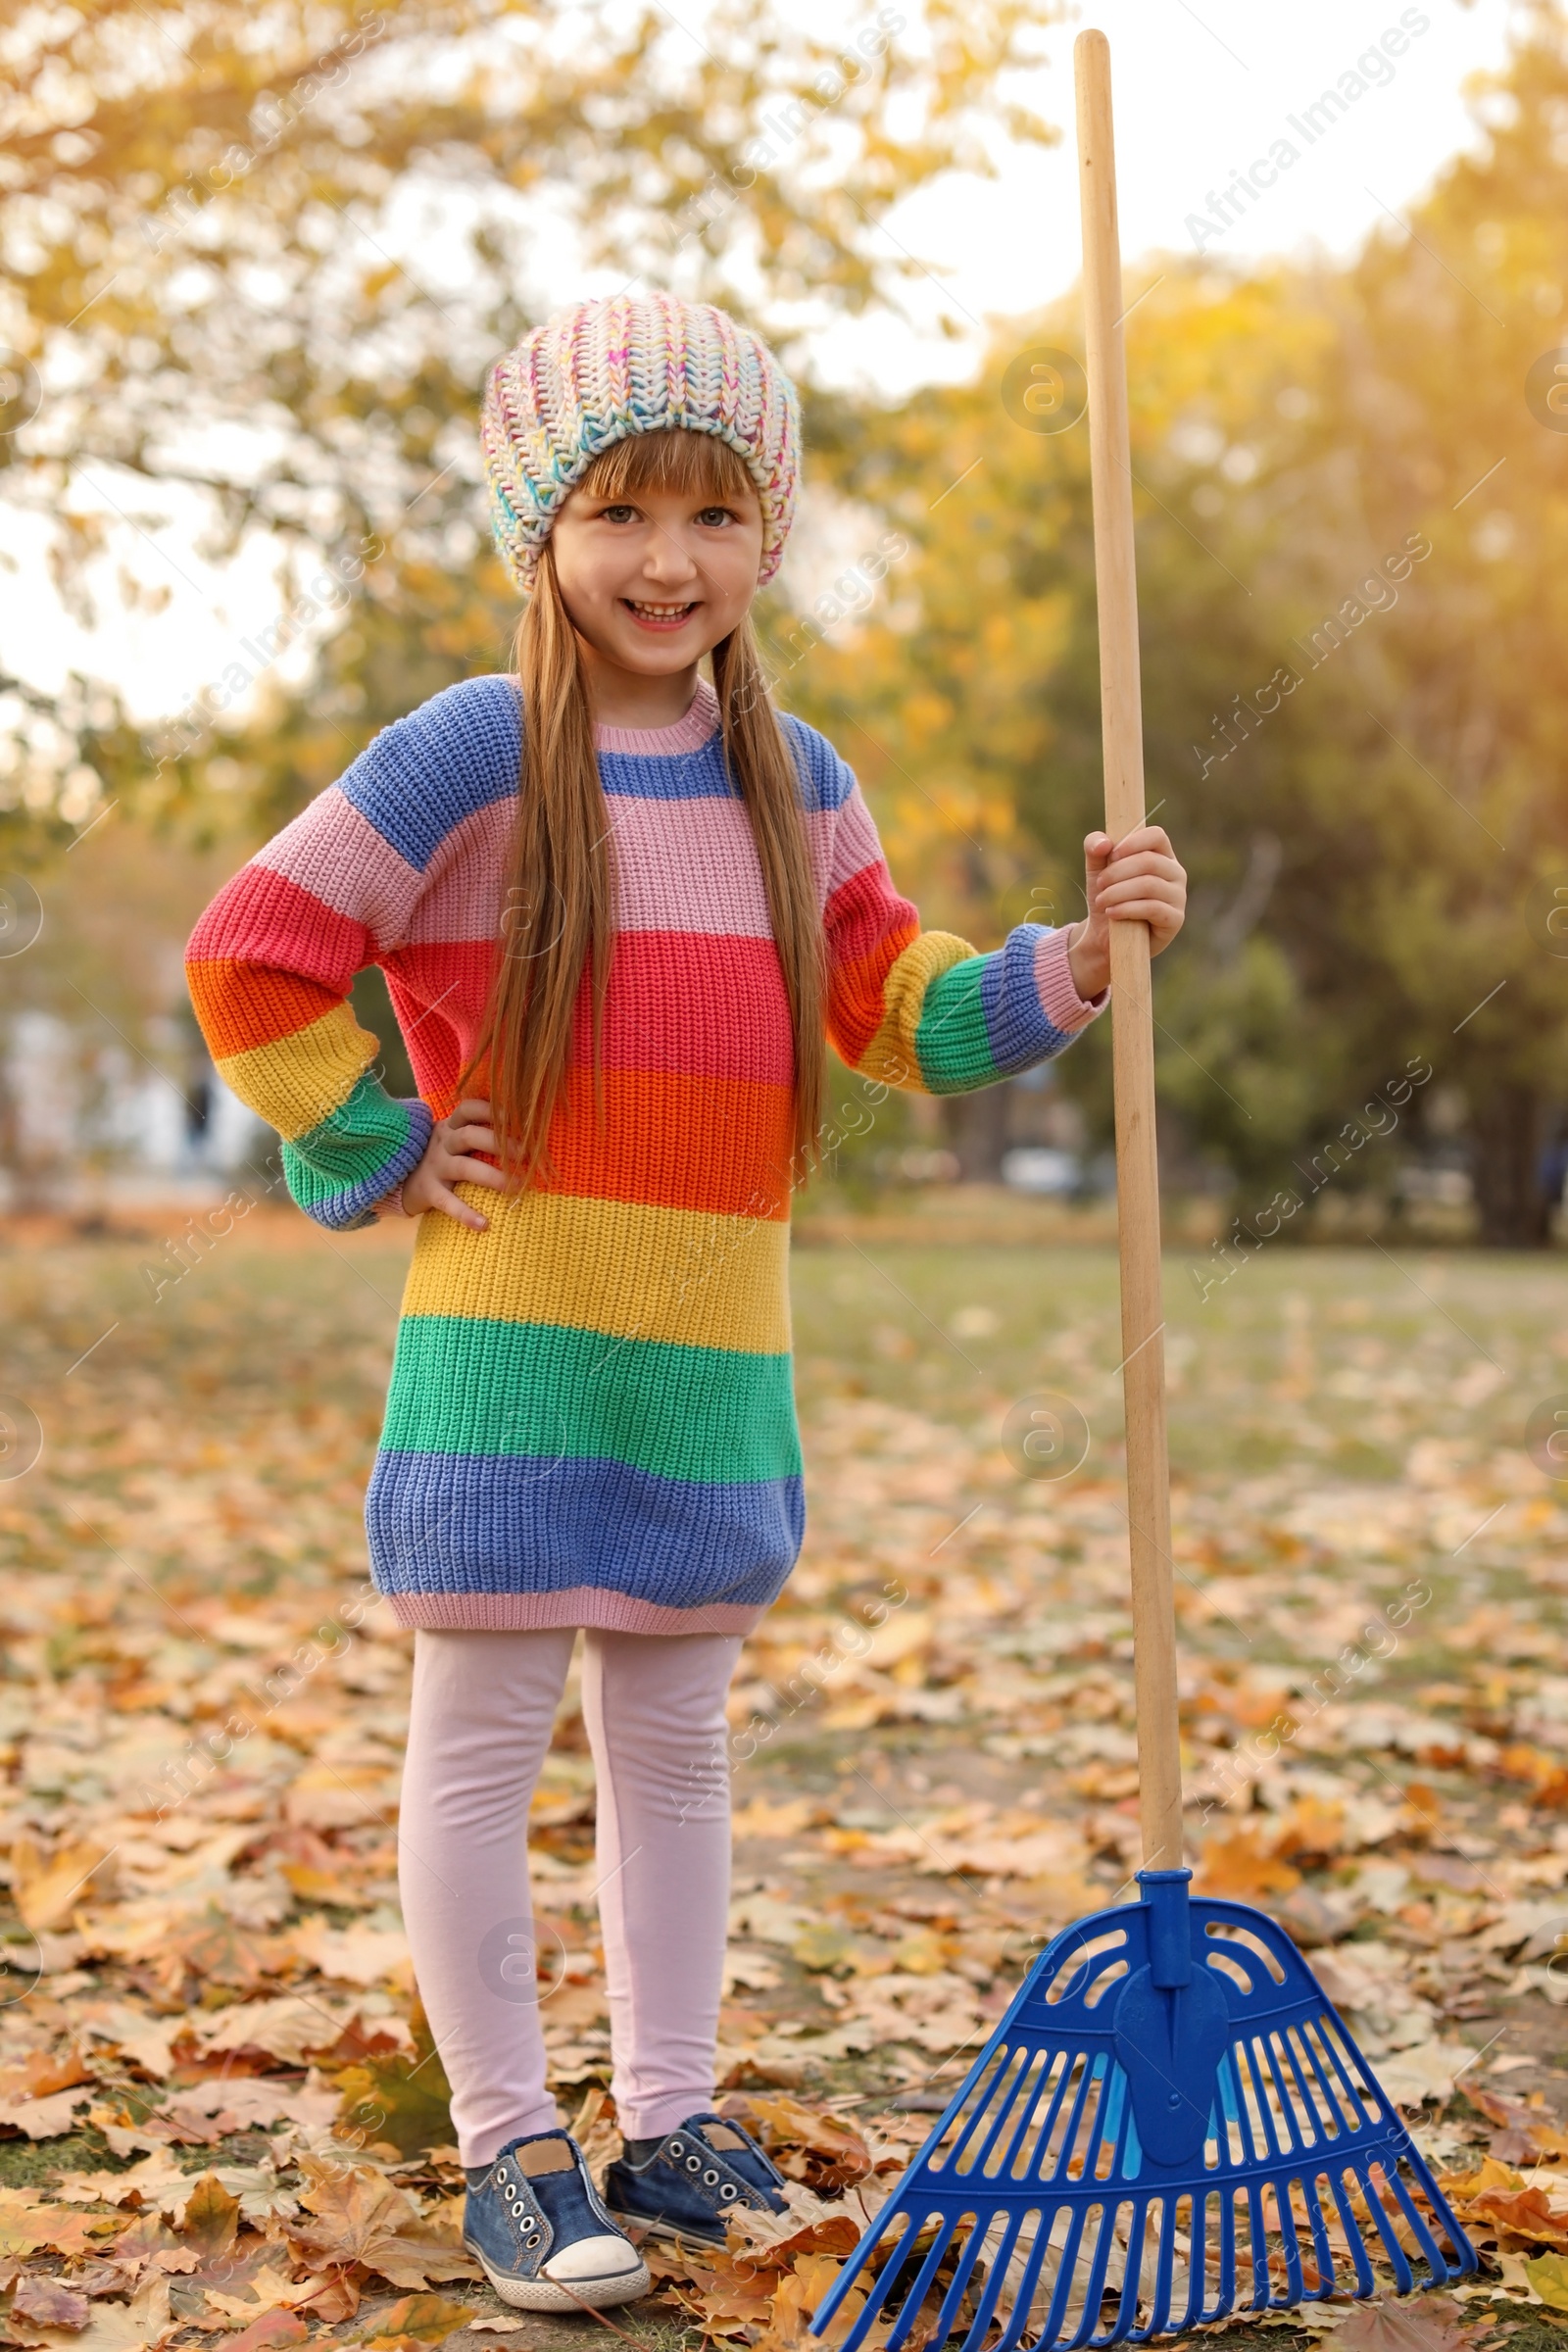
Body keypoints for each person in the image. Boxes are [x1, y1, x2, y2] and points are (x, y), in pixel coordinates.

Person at [184, 291, 1187, 2311]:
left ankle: (663, 2119)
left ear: (767, 537)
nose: (667, 558)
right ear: (543, 531)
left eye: (715, 513)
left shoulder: (791, 779)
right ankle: (510, 2147)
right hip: (507, 1335)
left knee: (675, 1735)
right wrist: (377, 1136)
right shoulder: (475, 751)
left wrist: (1072, 964)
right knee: (478, 1731)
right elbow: (253, 951)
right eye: (621, 508)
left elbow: (894, 1008)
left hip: (711, 1343)